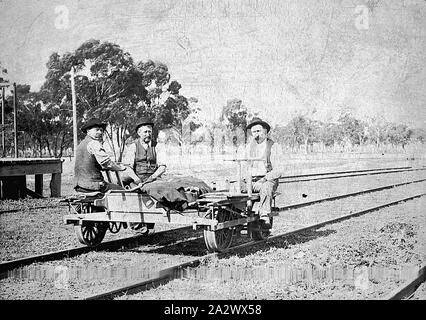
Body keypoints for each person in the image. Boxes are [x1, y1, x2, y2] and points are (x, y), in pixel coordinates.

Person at [245, 117, 281, 228]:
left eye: (259, 131)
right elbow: (245, 165)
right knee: (233, 187)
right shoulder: (248, 147)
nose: (256, 134)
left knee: (266, 188)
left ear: (265, 132)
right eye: (254, 132)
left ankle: (264, 216)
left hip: (267, 179)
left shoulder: (274, 146)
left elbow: (279, 170)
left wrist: (263, 179)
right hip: (251, 180)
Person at [74, 118, 126, 193]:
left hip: (79, 184)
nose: (100, 132)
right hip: (93, 185)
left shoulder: (81, 144)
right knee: (122, 191)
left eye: (101, 130)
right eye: (97, 130)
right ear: (88, 131)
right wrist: (120, 167)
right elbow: (107, 164)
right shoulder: (94, 143)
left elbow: (91, 163)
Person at [123, 117, 167, 186]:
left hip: (154, 179)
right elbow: (128, 167)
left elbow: (162, 167)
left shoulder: (157, 146)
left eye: (149, 132)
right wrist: (136, 179)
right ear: (139, 133)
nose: (148, 134)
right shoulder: (133, 147)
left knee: (169, 188)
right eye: (145, 132)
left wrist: (152, 177)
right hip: (138, 179)